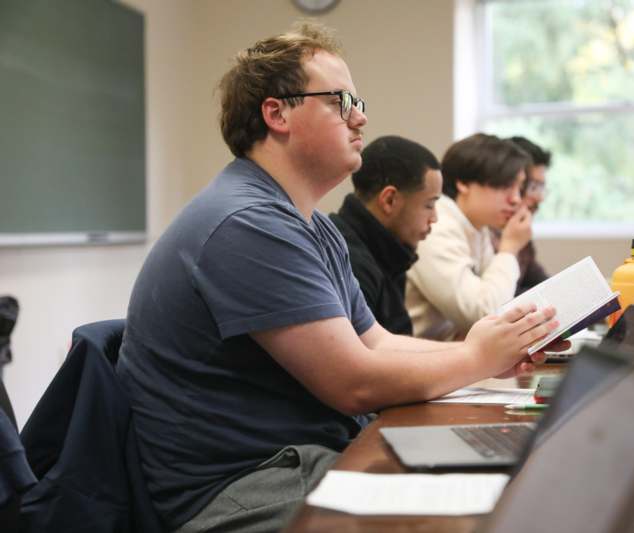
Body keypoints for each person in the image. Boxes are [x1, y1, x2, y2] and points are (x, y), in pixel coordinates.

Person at [117, 23, 561, 533]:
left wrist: (488, 356)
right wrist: (475, 357)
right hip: (244, 488)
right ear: (276, 113)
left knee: (498, 495)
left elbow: (374, 342)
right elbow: (354, 383)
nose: (361, 117)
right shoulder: (246, 223)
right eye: (341, 101)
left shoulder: (309, 224)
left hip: (299, 458)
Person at [406, 133, 533, 340]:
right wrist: (509, 249)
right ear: (463, 183)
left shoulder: (477, 227)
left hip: (448, 354)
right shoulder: (436, 225)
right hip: (416, 359)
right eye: (504, 185)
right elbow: (484, 315)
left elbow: (496, 303)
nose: (516, 199)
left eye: (518, 187)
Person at [330, 135, 441, 335]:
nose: (435, 218)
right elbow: (369, 359)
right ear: (389, 200)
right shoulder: (350, 263)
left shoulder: (388, 252)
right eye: (429, 205)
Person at [507, 136, 551, 294]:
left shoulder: (519, 234)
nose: (539, 197)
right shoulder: (486, 234)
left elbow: (543, 283)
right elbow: (500, 300)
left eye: (541, 187)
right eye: (533, 186)